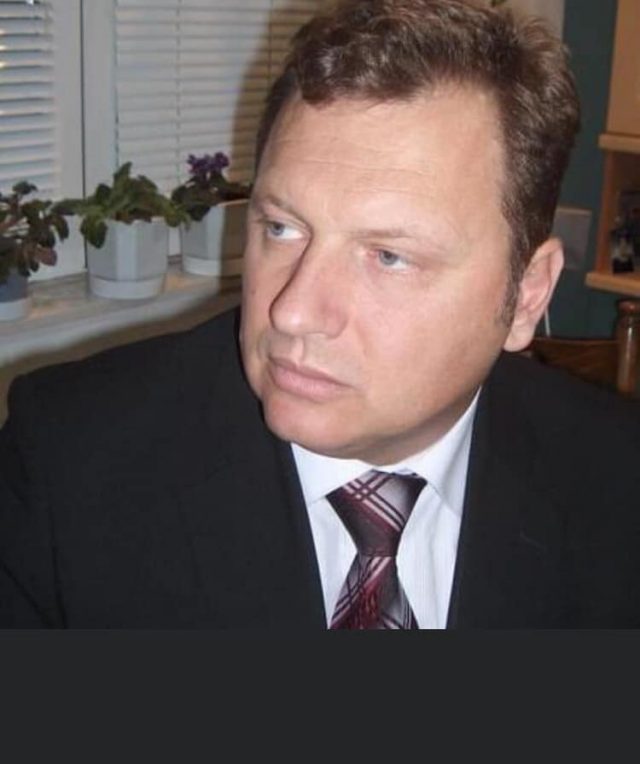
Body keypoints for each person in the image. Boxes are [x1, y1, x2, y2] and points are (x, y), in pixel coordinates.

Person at [1, 0, 640, 629]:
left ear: (527, 294)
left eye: (389, 256)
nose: (293, 311)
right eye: (281, 228)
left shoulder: (616, 478)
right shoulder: (66, 465)